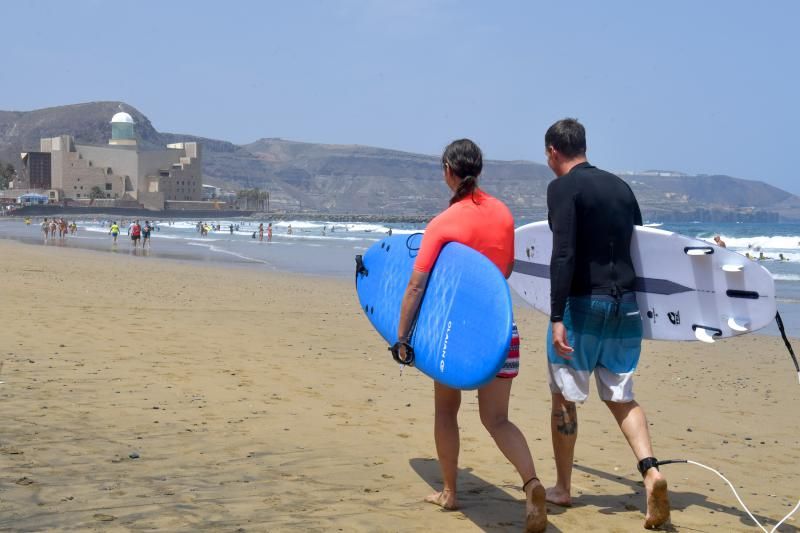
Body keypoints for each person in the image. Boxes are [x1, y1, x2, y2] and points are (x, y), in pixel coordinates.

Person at [395, 139, 546, 532]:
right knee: (497, 419)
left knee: (447, 411)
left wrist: (402, 337)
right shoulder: (503, 213)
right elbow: (506, 270)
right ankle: (531, 483)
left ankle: (449, 491)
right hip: (500, 330)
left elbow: (415, 286)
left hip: (453, 333)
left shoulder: (443, 223)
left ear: (448, 169)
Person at [543, 118, 669, 529]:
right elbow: (641, 246)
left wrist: (558, 316)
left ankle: (563, 487)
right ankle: (651, 471)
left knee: (564, 398)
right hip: (626, 307)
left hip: (582, 307)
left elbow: (563, 254)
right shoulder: (621, 187)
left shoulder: (563, 188)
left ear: (553, 152)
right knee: (620, 397)